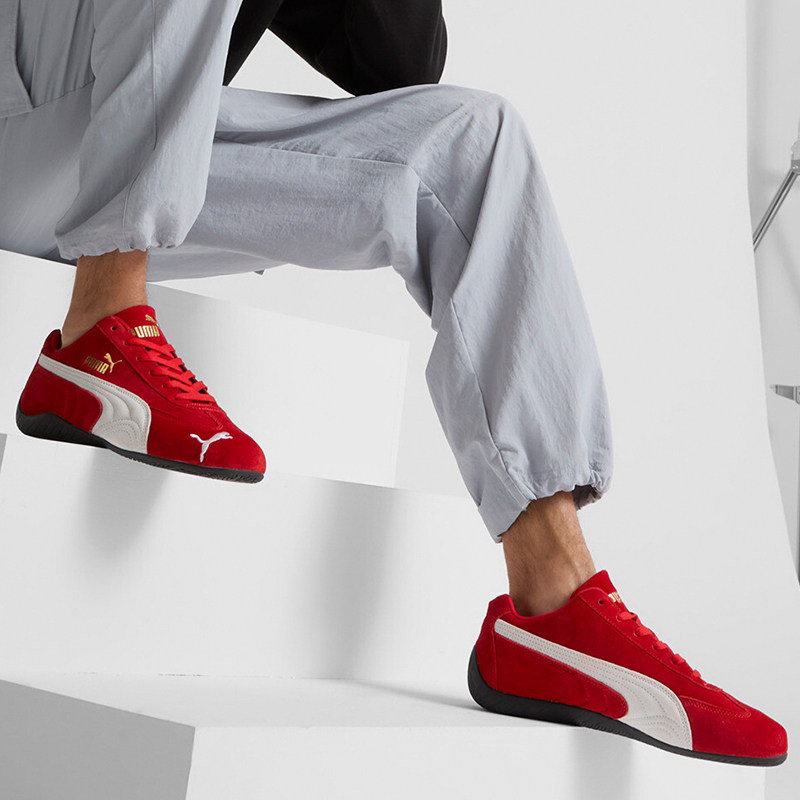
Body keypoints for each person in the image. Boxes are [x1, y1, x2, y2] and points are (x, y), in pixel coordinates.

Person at [0, 0, 787, 765]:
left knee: (471, 141)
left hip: (111, 144)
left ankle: (554, 601)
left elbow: (402, 64)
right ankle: (102, 322)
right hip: (23, 117)